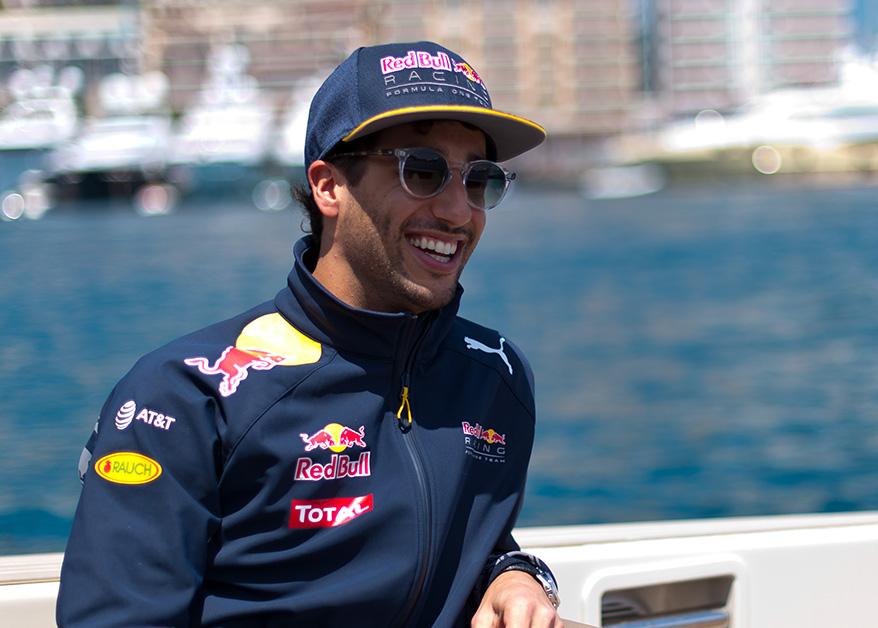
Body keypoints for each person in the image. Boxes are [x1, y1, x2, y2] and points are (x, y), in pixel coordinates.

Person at [58, 41, 563, 628]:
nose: (458, 211)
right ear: (328, 187)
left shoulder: (495, 375)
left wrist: (516, 571)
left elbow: (462, 546)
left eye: (479, 180)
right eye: (421, 170)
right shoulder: (184, 396)